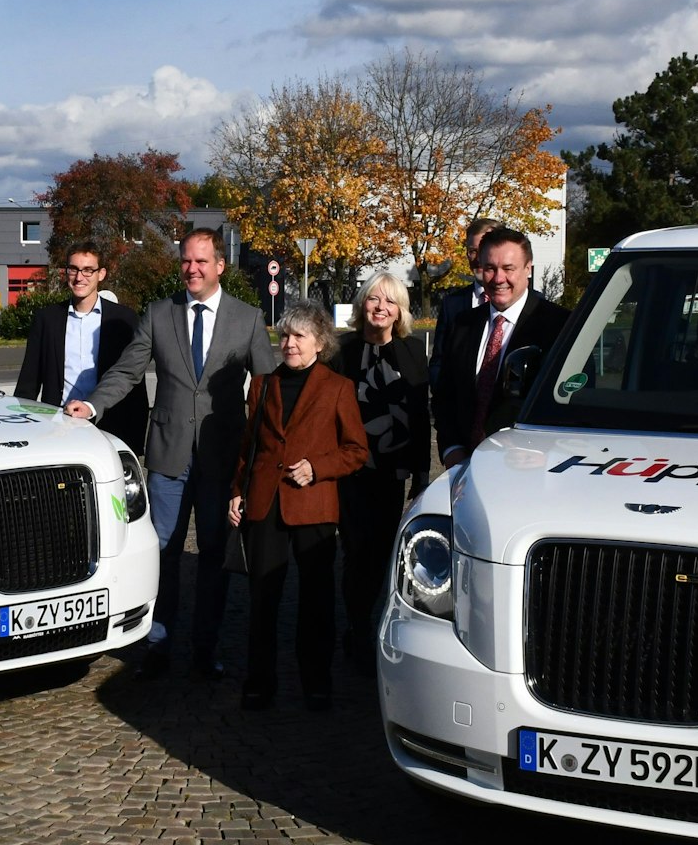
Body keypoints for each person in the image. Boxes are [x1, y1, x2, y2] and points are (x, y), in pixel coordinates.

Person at [67, 228, 278, 679]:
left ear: (220, 266)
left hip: (222, 457)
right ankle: (158, 642)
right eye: (186, 260)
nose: (192, 269)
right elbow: (127, 369)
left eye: (202, 261)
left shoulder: (247, 318)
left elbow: (268, 390)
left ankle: (206, 647)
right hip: (168, 457)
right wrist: (94, 403)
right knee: (161, 551)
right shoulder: (160, 314)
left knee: (214, 553)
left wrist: (272, 450)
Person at [227, 299, 368, 711]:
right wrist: (237, 490)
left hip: (313, 504)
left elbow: (356, 450)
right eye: (284, 335)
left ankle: (316, 681)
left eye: (298, 336)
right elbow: (248, 447)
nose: (288, 343)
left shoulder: (337, 388)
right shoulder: (262, 384)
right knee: (262, 597)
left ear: (319, 342)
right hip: (265, 501)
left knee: (317, 601)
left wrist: (318, 467)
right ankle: (259, 681)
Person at [330, 271, 429, 672]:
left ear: (400, 310)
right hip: (350, 471)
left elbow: (422, 418)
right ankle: (356, 625)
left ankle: (379, 623)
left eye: (389, 301)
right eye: (373, 299)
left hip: (393, 472)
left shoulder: (413, 352)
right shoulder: (342, 352)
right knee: (355, 553)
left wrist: (421, 476)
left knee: (385, 553)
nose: (380, 308)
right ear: (361, 304)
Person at [435, 226, 571, 467]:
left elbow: (572, 400)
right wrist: (451, 449)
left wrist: (549, 455)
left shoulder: (559, 326)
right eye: (490, 268)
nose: (498, 279)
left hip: (530, 467)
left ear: (528, 269)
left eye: (508, 269)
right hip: (466, 466)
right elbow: (445, 394)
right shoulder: (463, 324)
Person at [14, 242, 149, 453]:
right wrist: (22, 431)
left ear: (101, 274)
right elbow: (28, 383)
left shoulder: (124, 319)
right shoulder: (46, 319)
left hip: (110, 425)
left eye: (88, 270)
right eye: (74, 269)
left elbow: (135, 384)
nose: (79, 277)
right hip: (58, 427)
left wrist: (135, 440)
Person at [428, 217, 503, 392]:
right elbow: (439, 362)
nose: (478, 259)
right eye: (472, 251)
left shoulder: (533, 304)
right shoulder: (452, 305)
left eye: (484, 250)